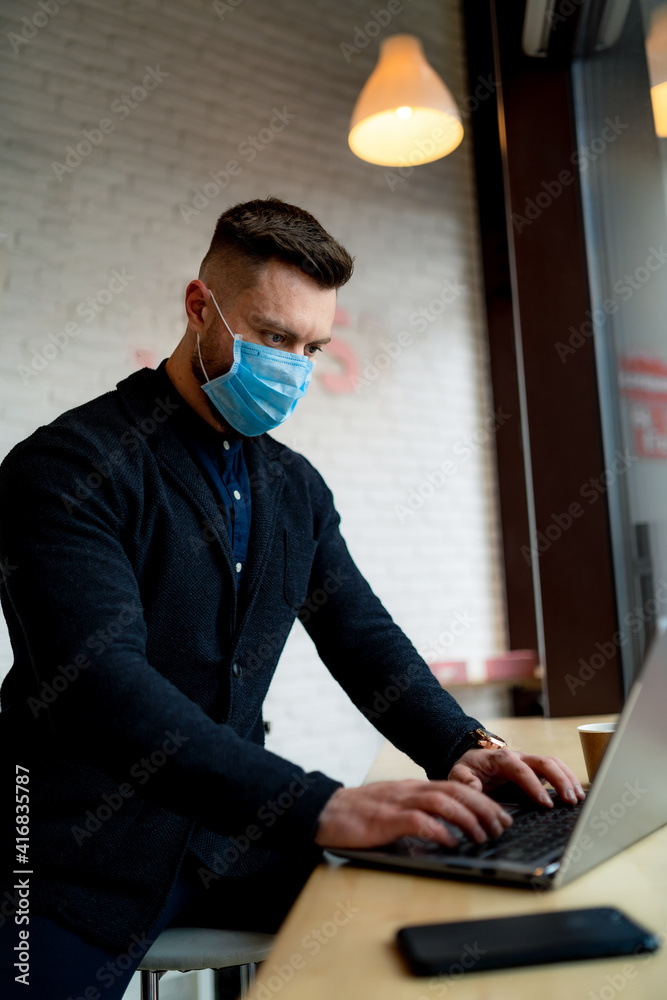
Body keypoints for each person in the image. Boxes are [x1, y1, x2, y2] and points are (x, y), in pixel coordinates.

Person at [0, 197, 584, 997]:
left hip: (232, 836)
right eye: (274, 337)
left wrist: (465, 749)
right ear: (199, 306)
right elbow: (104, 692)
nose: (294, 365)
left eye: (313, 346)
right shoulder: (66, 469)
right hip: (67, 854)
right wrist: (322, 806)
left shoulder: (292, 488)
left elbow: (361, 637)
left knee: (430, 924)